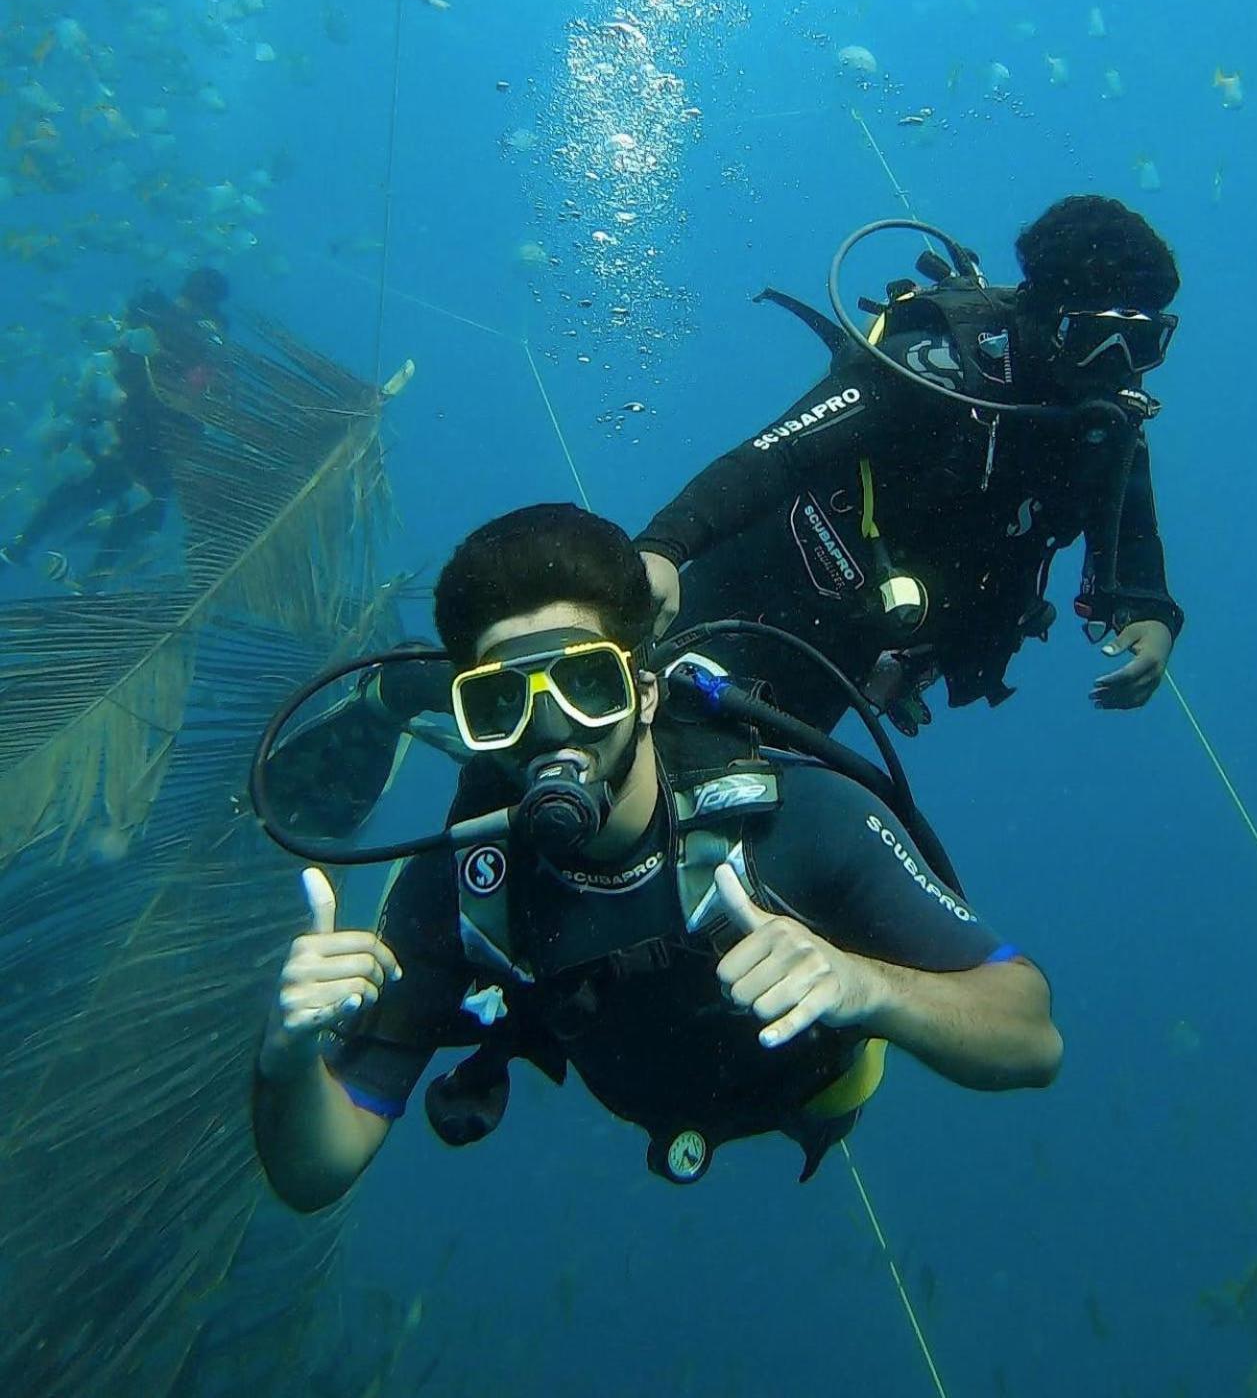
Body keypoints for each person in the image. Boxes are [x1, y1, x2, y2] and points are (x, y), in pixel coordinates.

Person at [251, 504, 1061, 1212]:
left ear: (644, 691)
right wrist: (287, 1061)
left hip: (817, 1094)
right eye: (502, 704)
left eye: (588, 686)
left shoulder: (797, 818)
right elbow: (315, 1174)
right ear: (476, 722)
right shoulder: (461, 885)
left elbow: (1030, 1035)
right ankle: (411, 698)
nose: (552, 731)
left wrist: (867, 985)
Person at [636, 196, 1185, 735]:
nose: (1114, 365)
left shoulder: (1104, 429)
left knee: (739, 789)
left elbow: (1133, 529)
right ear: (1039, 314)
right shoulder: (932, 370)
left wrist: (1151, 614)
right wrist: (664, 547)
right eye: (1091, 337)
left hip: (850, 655)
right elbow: (777, 453)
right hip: (750, 589)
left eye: (1139, 343)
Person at [1, 267, 229, 586]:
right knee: (134, 510)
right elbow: (197, 393)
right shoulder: (204, 335)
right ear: (213, 302)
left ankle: (19, 547)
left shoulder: (149, 312)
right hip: (158, 442)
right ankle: (95, 578)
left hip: (118, 428)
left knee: (77, 491)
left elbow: (110, 364)